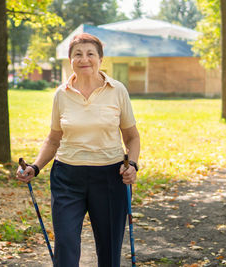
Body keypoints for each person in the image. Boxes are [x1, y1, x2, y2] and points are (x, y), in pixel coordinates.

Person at [16, 33, 140, 267]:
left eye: (90, 54)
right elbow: (53, 139)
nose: (84, 59)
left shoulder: (117, 90)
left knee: (110, 248)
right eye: (78, 54)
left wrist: (132, 165)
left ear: (101, 59)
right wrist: (35, 166)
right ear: (70, 60)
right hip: (67, 177)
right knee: (65, 245)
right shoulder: (61, 94)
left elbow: (132, 137)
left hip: (110, 176)